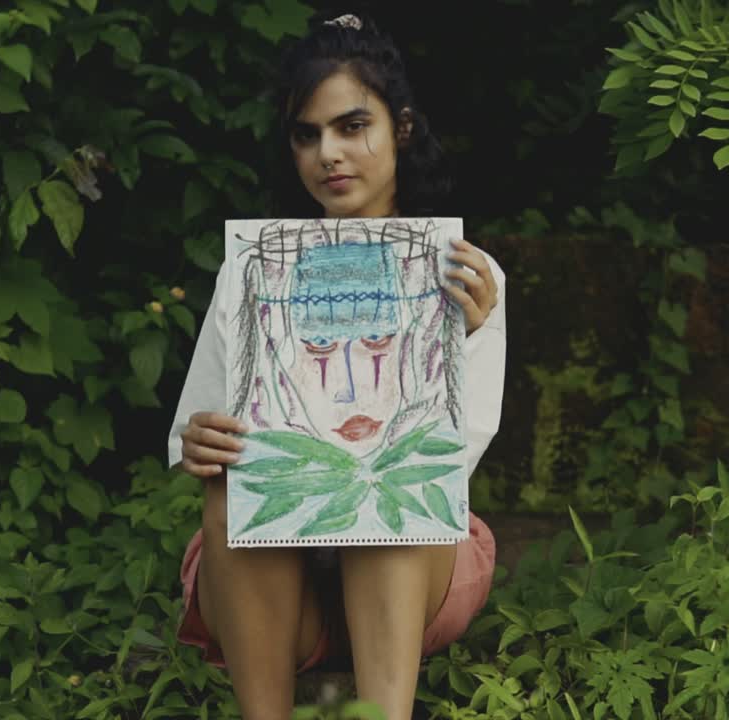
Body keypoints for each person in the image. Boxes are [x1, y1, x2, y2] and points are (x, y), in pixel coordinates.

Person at [167, 12, 507, 719]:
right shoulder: (252, 274)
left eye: (353, 126)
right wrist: (201, 442)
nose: (328, 152)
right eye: (307, 133)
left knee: (388, 480)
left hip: (411, 575)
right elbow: (194, 435)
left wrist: (463, 337)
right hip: (277, 583)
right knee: (234, 484)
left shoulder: (463, 275)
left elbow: (451, 458)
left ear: (401, 129)